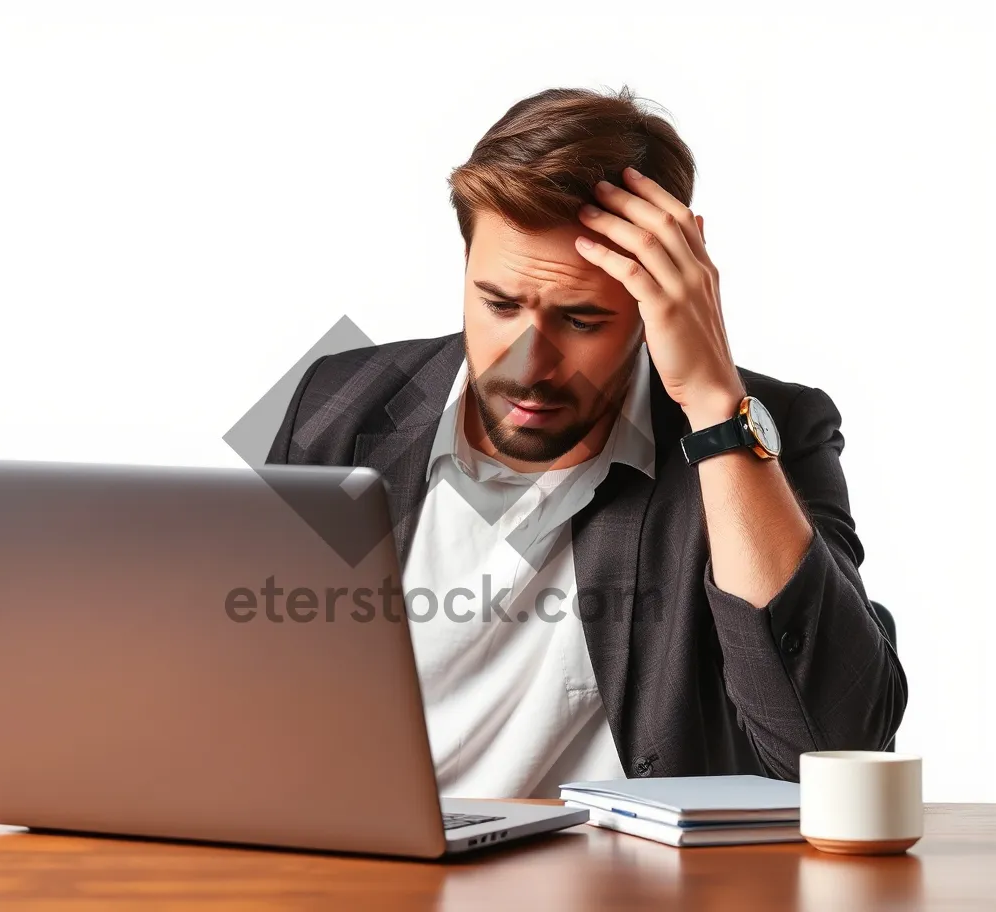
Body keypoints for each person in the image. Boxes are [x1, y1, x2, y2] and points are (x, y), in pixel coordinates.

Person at [265, 85, 906, 798]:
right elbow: (242, 683)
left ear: (660, 301)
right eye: (499, 304)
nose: (528, 368)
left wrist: (716, 410)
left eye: (580, 320)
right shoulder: (337, 400)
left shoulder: (774, 428)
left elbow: (834, 750)